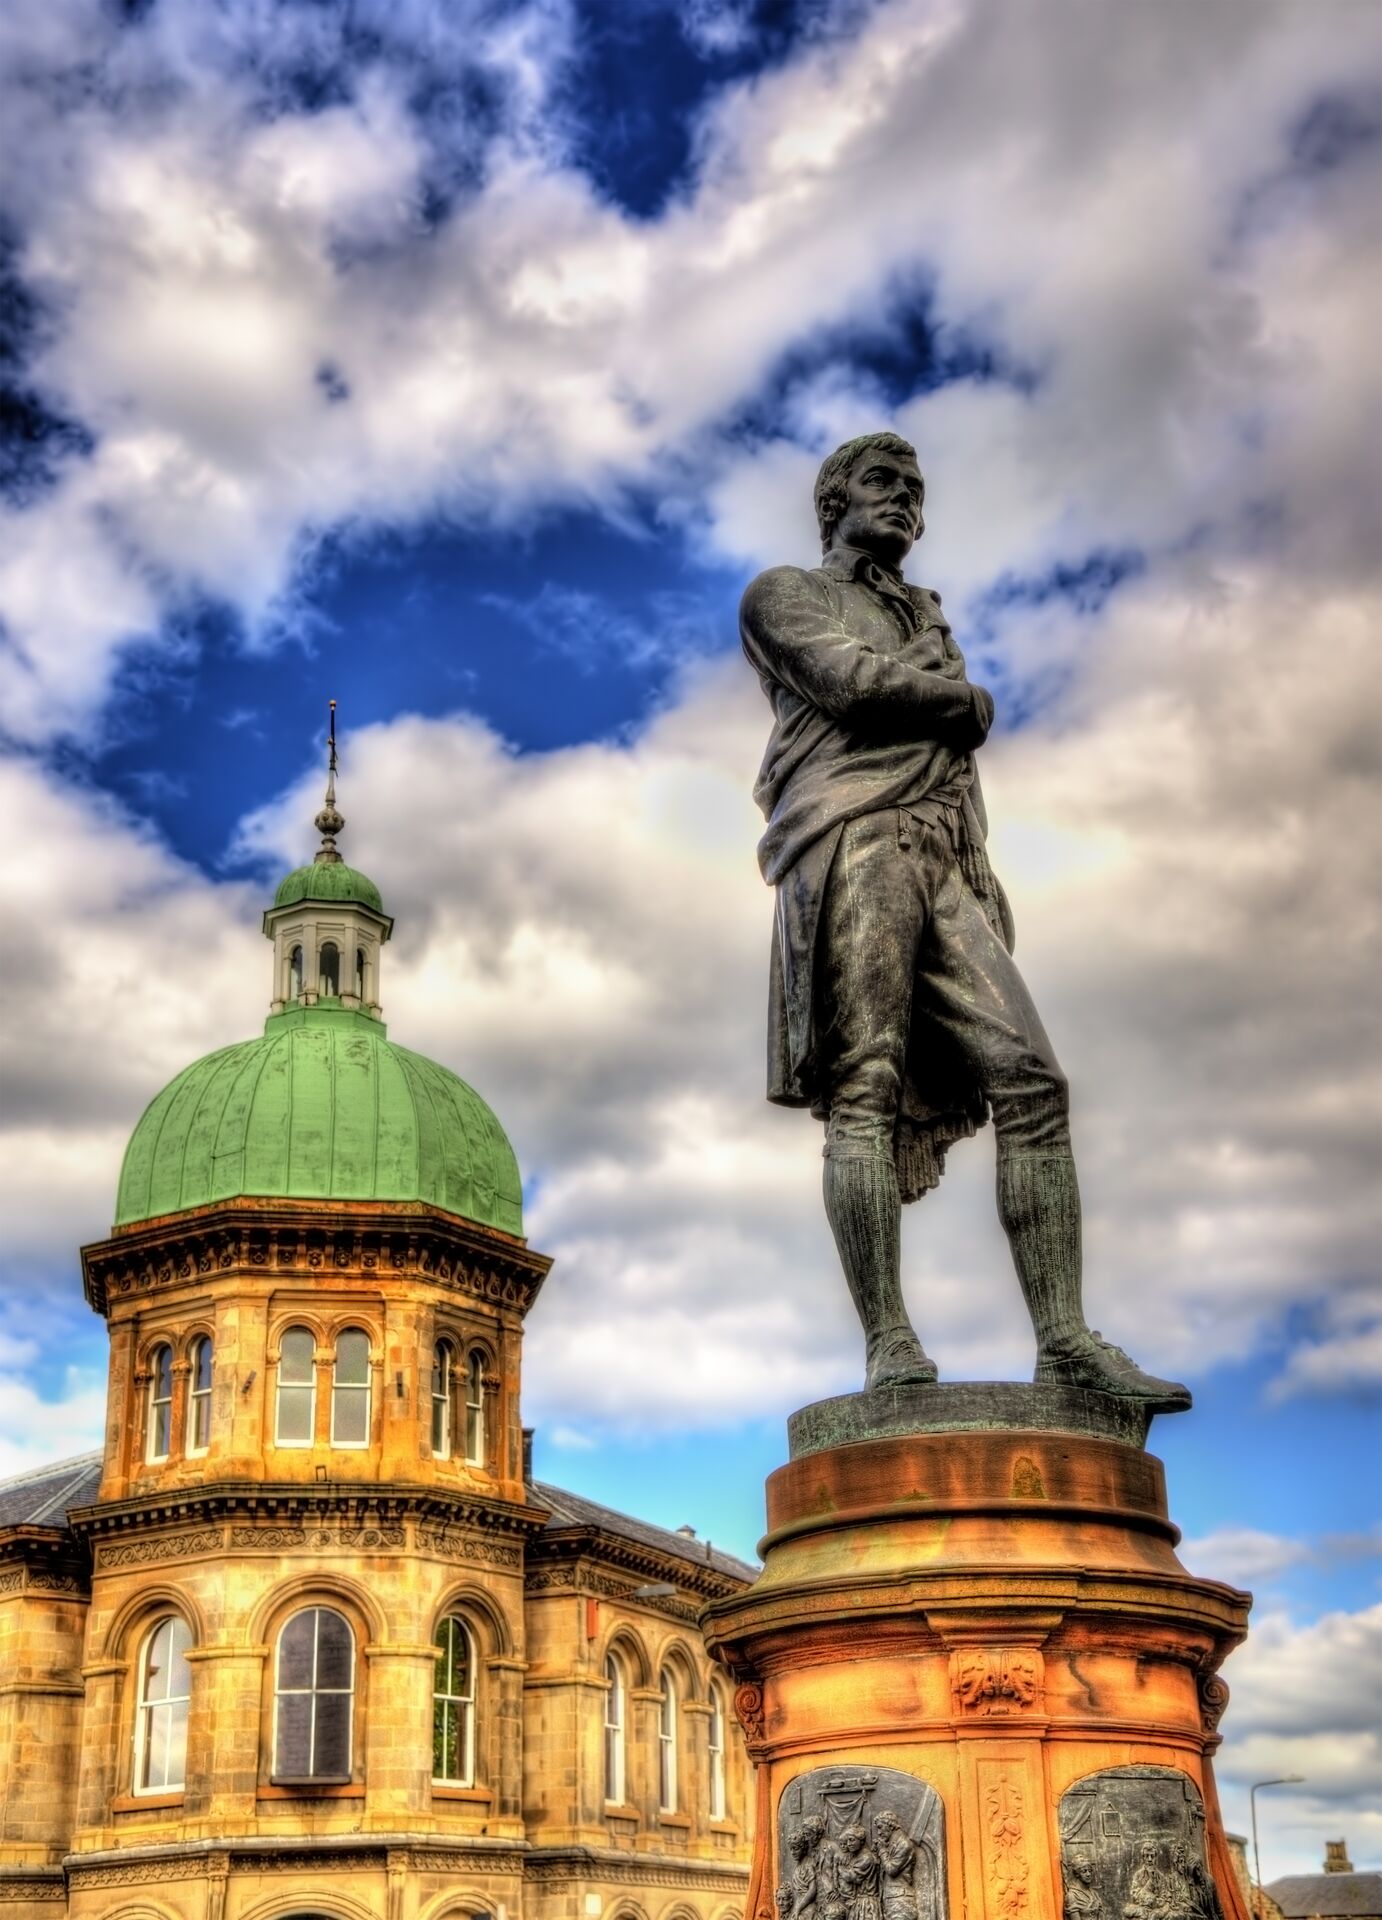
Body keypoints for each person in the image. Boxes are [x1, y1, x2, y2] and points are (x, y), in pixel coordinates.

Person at [740, 430, 1190, 1407]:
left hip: (943, 851)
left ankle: (1064, 1340)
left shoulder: (923, 614)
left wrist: (977, 865)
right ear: (833, 502)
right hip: (853, 839)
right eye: (882, 481)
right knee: (863, 1086)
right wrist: (964, 700)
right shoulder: (784, 593)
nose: (905, 498)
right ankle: (888, 1341)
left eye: (916, 487)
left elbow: (947, 758)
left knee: (1033, 1081)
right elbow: (850, 685)